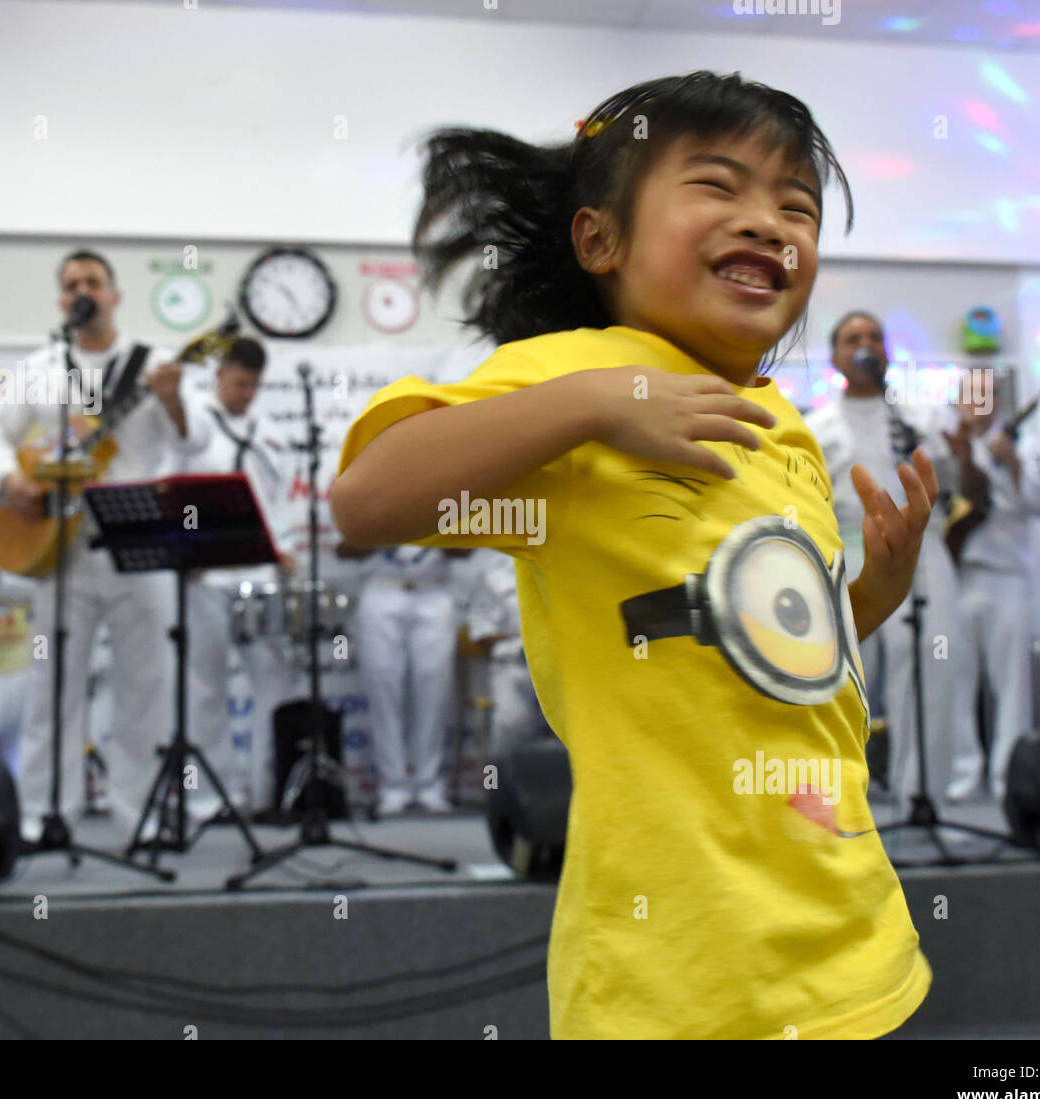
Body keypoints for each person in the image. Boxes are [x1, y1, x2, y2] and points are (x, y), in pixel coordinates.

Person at [330, 71, 936, 1039]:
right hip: (682, 977)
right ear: (599, 239)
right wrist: (599, 404)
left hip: (849, 932)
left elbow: (769, 653)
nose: (766, 221)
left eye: (797, 205)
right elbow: (366, 499)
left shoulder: (781, 421)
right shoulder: (571, 373)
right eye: (717, 185)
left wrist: (872, 592)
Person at [0, 249, 214, 836]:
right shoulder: (42, 366)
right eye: (72, 284)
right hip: (61, 545)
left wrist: (173, 399)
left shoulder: (157, 364)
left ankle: (141, 814)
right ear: (63, 301)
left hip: (138, 544)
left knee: (145, 684)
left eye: (94, 281)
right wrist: (13, 482)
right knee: (51, 683)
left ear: (115, 294)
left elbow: (195, 442)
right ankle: (43, 813)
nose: (83, 290)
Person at [806, 312, 983, 812]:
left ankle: (922, 799)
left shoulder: (921, 417)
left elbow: (959, 489)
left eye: (874, 337)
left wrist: (964, 451)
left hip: (919, 552)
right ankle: (840, 809)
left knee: (929, 669)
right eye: (852, 338)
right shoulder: (815, 427)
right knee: (838, 677)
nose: (865, 345)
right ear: (835, 357)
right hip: (843, 555)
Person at [179, 336, 306, 815]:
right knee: (205, 685)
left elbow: (282, 502)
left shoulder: (269, 432)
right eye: (238, 382)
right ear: (219, 376)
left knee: (273, 683)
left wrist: (287, 548)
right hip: (206, 576)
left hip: (260, 572)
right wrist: (185, 551)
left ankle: (266, 790)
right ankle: (210, 798)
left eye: (253, 384)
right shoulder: (191, 426)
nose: (246, 392)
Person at [944, 370, 1040, 801]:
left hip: (1007, 577)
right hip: (956, 578)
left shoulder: (1023, 444)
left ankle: (1008, 777)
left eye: (988, 395)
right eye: (972, 395)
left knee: (1013, 683)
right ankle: (962, 775)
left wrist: (1013, 461)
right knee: (955, 680)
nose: (979, 403)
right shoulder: (944, 445)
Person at [336, 541, 467, 815]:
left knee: (434, 687)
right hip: (383, 587)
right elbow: (344, 548)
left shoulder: (442, 495)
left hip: (432, 588)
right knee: (383, 688)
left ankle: (429, 783)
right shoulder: (368, 496)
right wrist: (385, 529)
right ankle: (392, 785)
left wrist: (431, 527)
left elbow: (466, 549)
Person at [464, 549, 551, 757]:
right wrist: (526, 643)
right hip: (513, 666)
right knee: (510, 724)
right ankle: (498, 785)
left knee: (569, 729)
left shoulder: (566, 564)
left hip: (559, 667)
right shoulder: (493, 573)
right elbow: (481, 631)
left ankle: (560, 787)